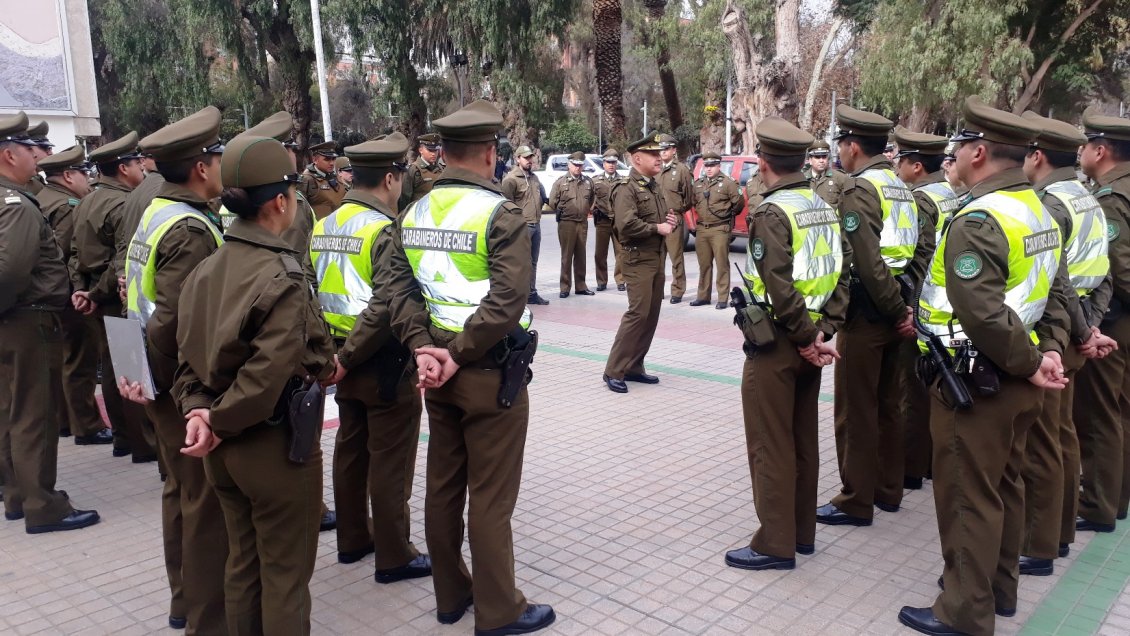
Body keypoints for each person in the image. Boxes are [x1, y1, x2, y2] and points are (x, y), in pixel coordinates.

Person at [379, 99, 555, 635]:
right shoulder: (499, 214)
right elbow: (508, 299)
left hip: (437, 373)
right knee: (491, 497)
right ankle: (499, 610)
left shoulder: (415, 213)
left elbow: (397, 289)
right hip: (487, 374)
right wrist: (454, 355)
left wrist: (423, 350)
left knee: (443, 487)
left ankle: (450, 596)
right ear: (488, 153)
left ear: (445, 152)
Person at [898, 96, 1069, 636]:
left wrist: (1031, 361)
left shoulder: (980, 218)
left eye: (956, 151)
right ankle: (999, 590)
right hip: (1017, 379)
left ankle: (964, 613)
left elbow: (983, 312)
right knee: (1005, 487)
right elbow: (1058, 293)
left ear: (977, 152)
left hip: (977, 383)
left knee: (968, 498)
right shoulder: (1038, 208)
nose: (952, 161)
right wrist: (1050, 353)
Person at [172, 134, 337, 635]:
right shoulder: (282, 273)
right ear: (282, 202)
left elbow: (186, 357)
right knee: (286, 576)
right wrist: (218, 421)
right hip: (273, 445)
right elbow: (270, 374)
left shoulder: (207, 267)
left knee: (243, 566)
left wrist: (200, 413)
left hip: (221, 448)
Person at [723, 117, 849, 571]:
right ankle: (801, 533)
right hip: (810, 343)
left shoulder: (772, 213)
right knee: (801, 441)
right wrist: (824, 333)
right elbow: (840, 275)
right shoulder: (822, 206)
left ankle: (774, 543)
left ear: (763, 161)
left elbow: (778, 286)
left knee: (770, 444)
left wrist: (805, 337)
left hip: (777, 344)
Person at [123, 106, 229, 632]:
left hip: (153, 377)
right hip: (176, 386)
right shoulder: (188, 228)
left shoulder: (155, 212)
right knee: (204, 502)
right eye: (217, 156)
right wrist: (191, 394)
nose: (222, 165)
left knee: (180, 492)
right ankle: (208, 619)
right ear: (202, 167)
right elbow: (174, 321)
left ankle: (184, 598)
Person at [310, 133, 431, 582]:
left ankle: (352, 539)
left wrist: (335, 357)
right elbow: (386, 303)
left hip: (340, 356)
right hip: (382, 360)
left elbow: (312, 294)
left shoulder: (325, 224)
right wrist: (352, 355)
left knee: (351, 448)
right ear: (389, 178)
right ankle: (395, 555)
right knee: (390, 458)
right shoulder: (383, 229)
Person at [1018, 110, 1115, 575]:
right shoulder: (1087, 198)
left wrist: (1080, 331)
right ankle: (1057, 534)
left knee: (1041, 441)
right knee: (1062, 436)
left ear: (1036, 156)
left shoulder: (1051, 205)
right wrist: (1092, 327)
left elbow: (1056, 283)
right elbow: (1103, 274)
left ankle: (1037, 545)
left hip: (1055, 334)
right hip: (1076, 331)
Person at [817, 105, 918, 527]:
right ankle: (888, 491)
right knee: (890, 403)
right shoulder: (900, 186)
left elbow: (867, 258)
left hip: (871, 311)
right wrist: (907, 305)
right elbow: (919, 249)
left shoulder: (861, 189)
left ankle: (856, 500)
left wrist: (894, 309)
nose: (838, 153)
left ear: (852, 146)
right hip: (901, 309)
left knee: (856, 410)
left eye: (840, 145)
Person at [0, 110, 100, 534]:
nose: (37, 157)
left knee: (9, 411)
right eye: (29, 149)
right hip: (26, 321)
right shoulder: (17, 206)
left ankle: (18, 496)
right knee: (33, 415)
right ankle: (44, 505)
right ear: (8, 155)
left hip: (12, 320)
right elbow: (10, 271)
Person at [70, 130, 157, 463]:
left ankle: (122, 438)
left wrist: (82, 289)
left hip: (96, 295)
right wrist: (96, 291)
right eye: (138, 163)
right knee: (132, 367)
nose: (142, 170)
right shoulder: (121, 203)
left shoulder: (87, 199)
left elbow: (76, 252)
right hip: (112, 294)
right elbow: (121, 260)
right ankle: (142, 443)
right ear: (124, 167)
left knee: (112, 365)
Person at [890, 127, 961, 491]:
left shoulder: (920, 201)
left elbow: (919, 258)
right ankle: (930, 460)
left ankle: (912, 467)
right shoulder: (950, 194)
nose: (897, 167)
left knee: (912, 389)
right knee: (930, 386)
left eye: (901, 161)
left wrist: (908, 307)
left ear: (916, 166)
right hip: (946, 304)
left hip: (922, 304)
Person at [1073, 109, 1130, 533]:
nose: (1081, 152)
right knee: (1122, 409)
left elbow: (1118, 267)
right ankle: (1117, 496)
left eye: (1085, 144)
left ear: (1102, 149)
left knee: (1099, 414)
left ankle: (1097, 505)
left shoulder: (1111, 199)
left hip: (1116, 320)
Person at [36, 146, 110, 443]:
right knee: (81, 362)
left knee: (65, 360)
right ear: (67, 176)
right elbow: (66, 254)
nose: (86, 180)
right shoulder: (66, 206)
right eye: (83, 173)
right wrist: (82, 290)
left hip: (50, 297)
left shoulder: (41, 197)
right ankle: (87, 425)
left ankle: (67, 421)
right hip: (69, 294)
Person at [603, 133, 680, 394]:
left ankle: (634, 366)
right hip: (637, 259)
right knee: (637, 314)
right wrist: (656, 227)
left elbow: (659, 217)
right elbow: (625, 225)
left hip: (656, 258)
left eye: (661, 154)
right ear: (637, 159)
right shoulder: (627, 188)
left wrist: (669, 221)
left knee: (651, 316)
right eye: (653, 155)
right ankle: (614, 370)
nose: (660, 158)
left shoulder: (652, 185)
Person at [689, 151, 743, 309]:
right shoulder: (698, 184)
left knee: (721, 264)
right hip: (702, 229)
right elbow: (694, 202)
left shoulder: (728, 183)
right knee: (704, 264)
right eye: (707, 166)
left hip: (720, 228)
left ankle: (722, 297)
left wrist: (728, 215)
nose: (709, 169)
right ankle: (703, 296)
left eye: (712, 165)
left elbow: (738, 203)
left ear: (719, 166)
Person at [501, 145, 550, 305]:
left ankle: (531, 293)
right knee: (520, 263)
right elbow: (506, 206)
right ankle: (518, 295)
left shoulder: (534, 177)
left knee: (533, 262)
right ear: (518, 159)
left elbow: (542, 197)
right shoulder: (511, 180)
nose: (530, 161)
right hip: (522, 227)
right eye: (526, 158)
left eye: (531, 158)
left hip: (536, 224)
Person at [548, 151, 595, 298]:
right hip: (566, 223)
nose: (578, 168)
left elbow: (592, 199)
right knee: (566, 256)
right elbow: (552, 202)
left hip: (582, 223)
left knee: (581, 255)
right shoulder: (560, 182)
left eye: (580, 165)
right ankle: (565, 287)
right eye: (575, 165)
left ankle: (581, 286)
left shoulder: (588, 182)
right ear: (569, 165)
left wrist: (587, 210)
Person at [657, 133, 694, 303]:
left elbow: (689, 197)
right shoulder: (655, 169)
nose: (663, 152)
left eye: (666, 149)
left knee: (676, 257)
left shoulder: (682, 170)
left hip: (673, 218)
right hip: (656, 219)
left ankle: (677, 290)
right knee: (657, 257)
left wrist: (677, 211)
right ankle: (657, 289)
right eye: (661, 149)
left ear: (673, 150)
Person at [593, 148, 625, 291]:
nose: (611, 165)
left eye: (613, 162)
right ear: (603, 164)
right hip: (602, 221)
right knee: (600, 253)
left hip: (618, 221)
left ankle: (620, 280)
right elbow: (590, 199)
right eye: (608, 162)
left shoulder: (623, 181)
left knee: (621, 252)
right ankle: (601, 281)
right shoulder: (595, 181)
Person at [398, 132, 445, 210]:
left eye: (435, 150)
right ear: (421, 150)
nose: (433, 154)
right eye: (430, 150)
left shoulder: (441, 169)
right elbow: (405, 198)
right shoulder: (414, 170)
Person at [301, 140, 345, 219]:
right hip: (320, 229)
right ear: (315, 160)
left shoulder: (335, 176)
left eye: (333, 159)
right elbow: (300, 212)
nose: (331, 163)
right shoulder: (307, 179)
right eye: (327, 159)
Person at [804, 140, 848, 209]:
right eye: (817, 157)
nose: (821, 160)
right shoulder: (802, 180)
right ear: (810, 160)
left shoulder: (840, 178)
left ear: (828, 158)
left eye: (824, 157)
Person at [23, 120, 51, 194]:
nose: (50, 153)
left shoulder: (36, 178)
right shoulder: (22, 181)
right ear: (29, 149)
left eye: (50, 149)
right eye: (45, 148)